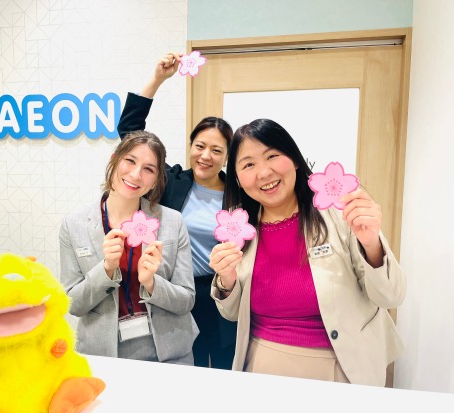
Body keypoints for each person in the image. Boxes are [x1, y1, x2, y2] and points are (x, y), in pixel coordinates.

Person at [209, 118, 406, 386]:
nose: (264, 172)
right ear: (238, 180)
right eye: (248, 165)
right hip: (261, 363)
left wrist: (372, 244)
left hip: (342, 366)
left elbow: (390, 296)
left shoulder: (338, 214)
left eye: (272, 156)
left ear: (295, 160)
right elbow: (231, 314)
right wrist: (226, 281)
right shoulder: (239, 229)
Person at [117, 52, 237, 369]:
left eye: (216, 150)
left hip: (223, 292)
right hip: (178, 290)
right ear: (190, 146)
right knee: (186, 367)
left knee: (226, 367)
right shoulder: (171, 182)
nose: (206, 156)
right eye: (200, 146)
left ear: (227, 157)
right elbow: (130, 132)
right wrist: (157, 79)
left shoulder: (239, 196)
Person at [59, 130, 199, 365]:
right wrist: (106, 270)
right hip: (103, 355)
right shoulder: (73, 225)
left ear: (156, 179)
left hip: (171, 354)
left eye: (149, 169)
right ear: (115, 159)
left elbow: (186, 300)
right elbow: (73, 304)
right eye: (130, 161)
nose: (136, 175)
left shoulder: (172, 222)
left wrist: (152, 283)